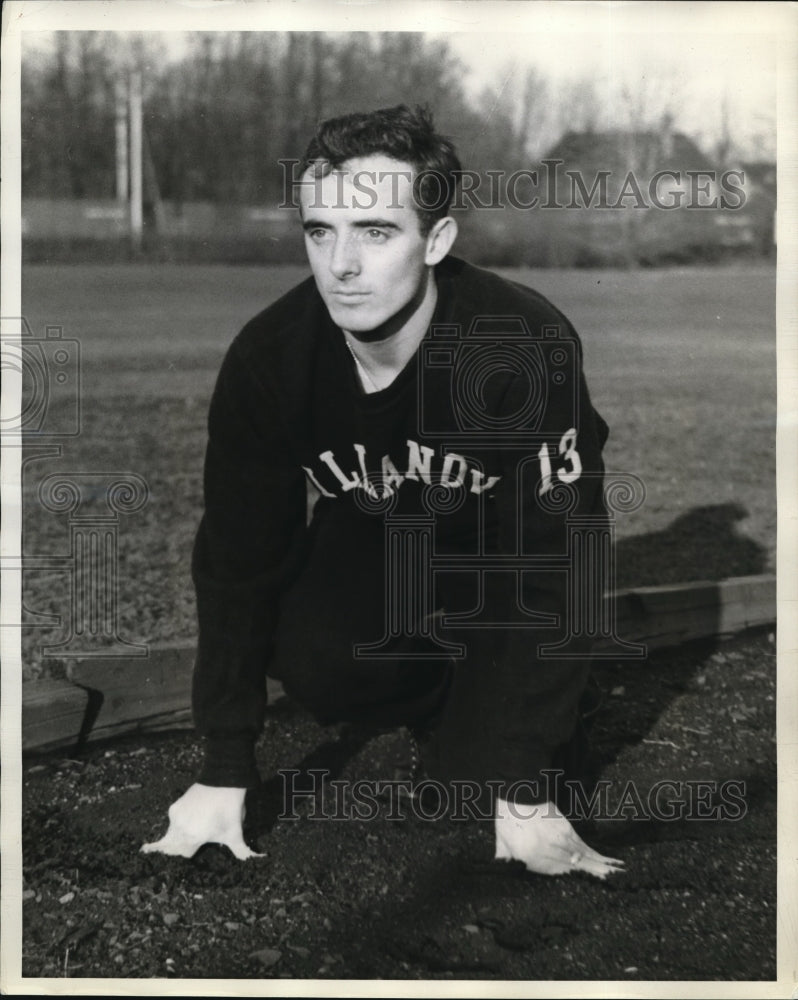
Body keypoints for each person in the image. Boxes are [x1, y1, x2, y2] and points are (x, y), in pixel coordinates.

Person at [142, 105, 623, 880]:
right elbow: (237, 559)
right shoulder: (271, 358)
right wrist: (225, 763)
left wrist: (526, 779)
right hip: (379, 560)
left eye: (375, 230)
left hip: (499, 583)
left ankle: (533, 718)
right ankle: (435, 699)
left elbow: (560, 561)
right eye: (320, 231)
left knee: (479, 784)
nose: (341, 265)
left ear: (435, 240)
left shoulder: (518, 345)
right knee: (318, 658)